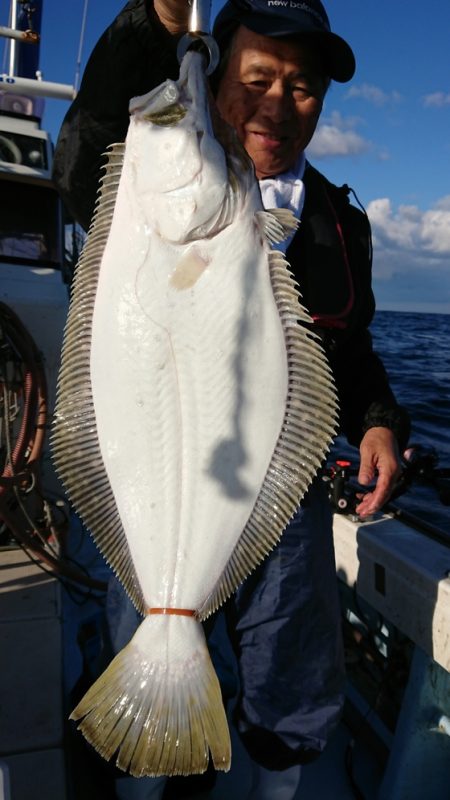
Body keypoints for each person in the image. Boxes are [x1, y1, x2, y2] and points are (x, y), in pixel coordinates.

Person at [53, 1, 410, 798]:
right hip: (147, 486)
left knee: (290, 693)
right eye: (257, 78)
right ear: (217, 74)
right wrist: (156, 22)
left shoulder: (336, 221)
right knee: (116, 673)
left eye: (304, 89)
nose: (279, 106)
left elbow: (348, 357)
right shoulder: (142, 170)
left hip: (281, 505)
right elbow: (87, 139)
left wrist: (381, 423)